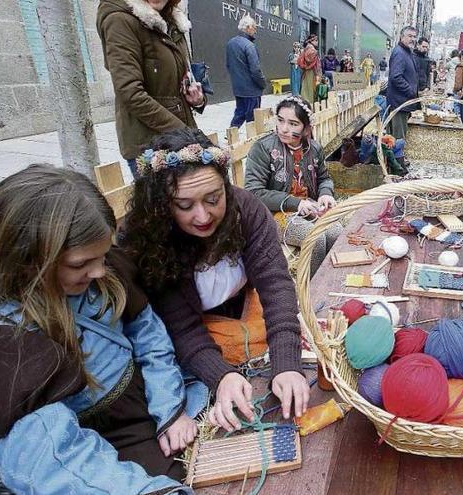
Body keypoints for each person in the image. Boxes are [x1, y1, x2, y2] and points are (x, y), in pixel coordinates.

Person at [0, 165, 199, 493]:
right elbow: (55, 458)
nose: (99, 271)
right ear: (28, 259)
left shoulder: (99, 268)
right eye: (80, 264)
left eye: (101, 256)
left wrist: (167, 407)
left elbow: (146, 331)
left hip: (143, 405)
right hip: (84, 442)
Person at [121, 128, 310, 433]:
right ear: (162, 204)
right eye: (184, 206)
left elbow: (275, 285)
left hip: (243, 308)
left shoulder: (246, 210)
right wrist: (221, 376)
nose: (203, 216)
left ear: (226, 186)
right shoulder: (153, 240)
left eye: (213, 199)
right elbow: (180, 327)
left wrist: (287, 363)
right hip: (194, 330)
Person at [97, 0, 205, 178]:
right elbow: (131, 93)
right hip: (149, 144)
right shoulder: (120, 20)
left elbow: (174, 80)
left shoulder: (172, 20)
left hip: (179, 136)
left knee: (193, 201)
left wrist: (197, 99)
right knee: (166, 205)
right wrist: (185, 134)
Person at [245, 96, 342, 274]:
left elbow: (324, 178)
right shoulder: (263, 149)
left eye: (293, 124)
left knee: (337, 232)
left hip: (309, 207)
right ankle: (311, 290)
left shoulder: (314, 149)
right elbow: (253, 192)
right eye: (280, 120)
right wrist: (295, 203)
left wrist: (326, 193)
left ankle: (330, 281)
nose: (283, 128)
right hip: (275, 214)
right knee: (316, 239)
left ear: (306, 128)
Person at [226, 15, 268, 129]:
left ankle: (231, 136)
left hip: (238, 88)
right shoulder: (249, 46)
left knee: (239, 113)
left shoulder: (230, 43)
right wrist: (263, 84)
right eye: (254, 27)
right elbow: (256, 70)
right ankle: (252, 143)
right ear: (248, 27)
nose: (255, 30)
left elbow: (228, 66)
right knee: (253, 120)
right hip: (251, 90)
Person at [386, 26, 420, 140]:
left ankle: (394, 157)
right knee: (397, 138)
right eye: (409, 36)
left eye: (414, 36)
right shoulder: (399, 53)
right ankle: (396, 158)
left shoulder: (407, 52)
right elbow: (395, 77)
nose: (413, 39)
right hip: (399, 102)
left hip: (403, 102)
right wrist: (410, 91)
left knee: (397, 138)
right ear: (401, 37)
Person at [298, 34, 321, 103]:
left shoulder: (308, 48)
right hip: (311, 71)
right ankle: (309, 102)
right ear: (312, 41)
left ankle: (307, 101)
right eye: (316, 40)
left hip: (309, 71)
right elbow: (309, 59)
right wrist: (315, 53)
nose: (317, 42)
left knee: (307, 86)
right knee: (310, 87)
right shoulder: (310, 48)